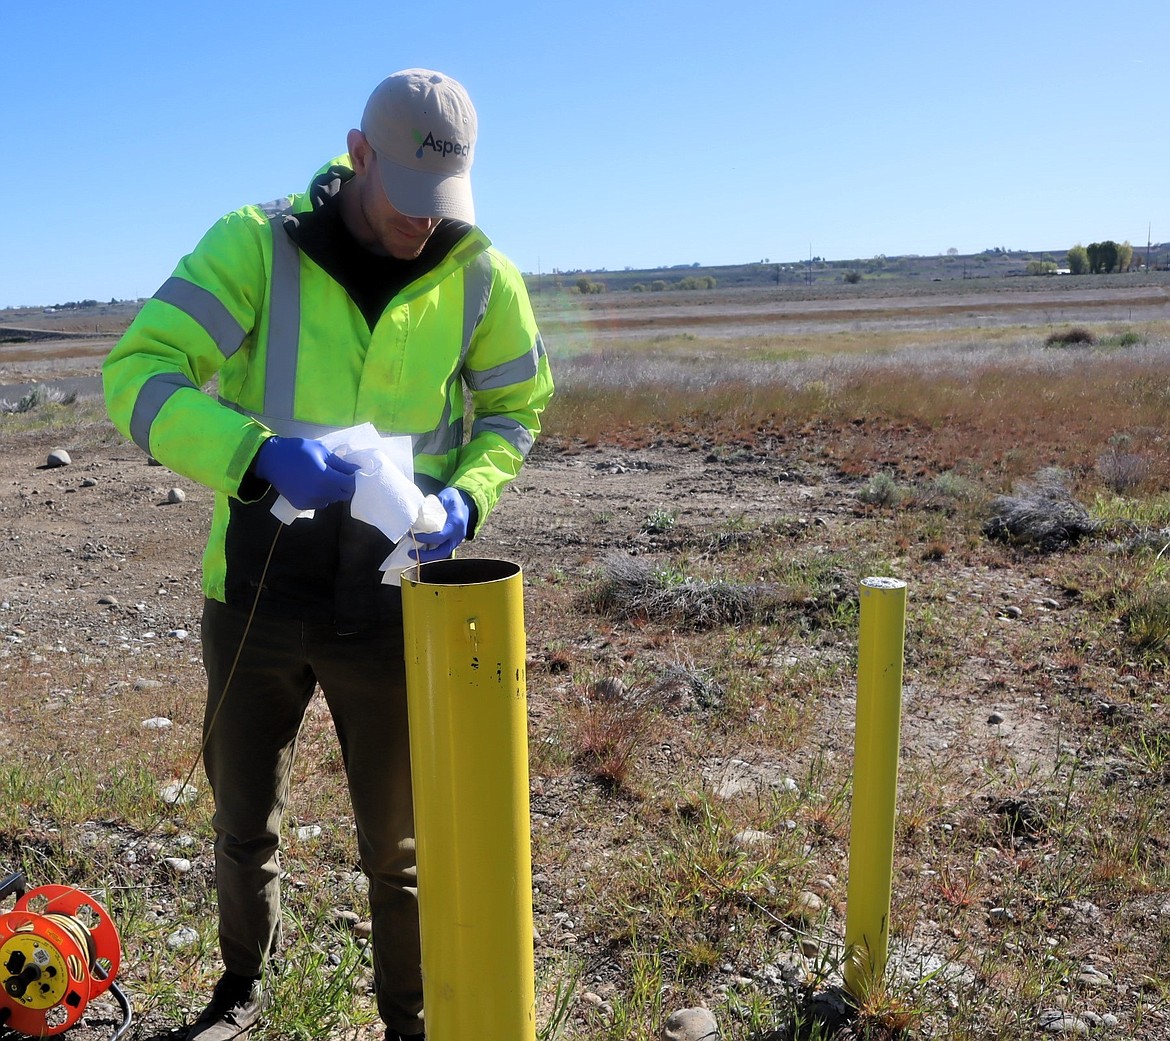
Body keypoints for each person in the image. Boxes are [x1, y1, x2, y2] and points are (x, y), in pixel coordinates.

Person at [103, 68, 553, 1041]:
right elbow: (138, 373)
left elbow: (517, 409)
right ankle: (240, 992)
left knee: (401, 847)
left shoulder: (480, 277)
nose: (425, 223)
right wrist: (254, 453)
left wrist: (467, 496)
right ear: (357, 156)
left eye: (446, 202)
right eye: (408, 197)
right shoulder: (257, 248)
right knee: (242, 825)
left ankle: (410, 1019)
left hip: (398, 609)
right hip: (257, 594)